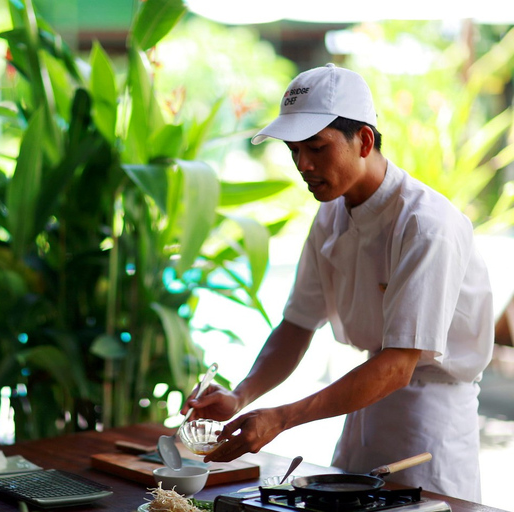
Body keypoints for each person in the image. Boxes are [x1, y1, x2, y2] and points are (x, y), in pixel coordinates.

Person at [183, 64, 494, 501]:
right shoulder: (330, 214)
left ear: (364, 140)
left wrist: (283, 417)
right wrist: (241, 396)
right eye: (294, 150)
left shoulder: (426, 225)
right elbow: (297, 324)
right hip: (362, 414)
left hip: (429, 427)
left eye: (316, 147)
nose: (303, 165)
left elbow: (397, 367)